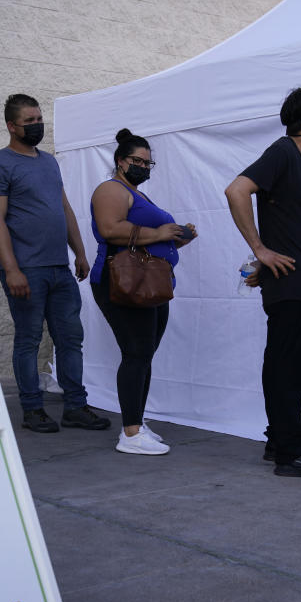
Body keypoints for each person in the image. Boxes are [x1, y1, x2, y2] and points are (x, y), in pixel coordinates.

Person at [223, 86, 301, 479]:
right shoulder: (283, 152)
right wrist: (261, 250)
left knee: (288, 362)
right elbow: (236, 190)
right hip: (290, 282)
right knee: (287, 364)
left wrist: (267, 256)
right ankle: (291, 452)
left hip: (298, 279)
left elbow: (285, 219)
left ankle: (282, 440)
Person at [0, 94, 110, 433]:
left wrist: (80, 251)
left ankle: (76, 407)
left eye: (39, 120)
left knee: (70, 338)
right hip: (26, 270)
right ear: (11, 126)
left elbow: (63, 208)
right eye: (30, 122)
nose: (37, 126)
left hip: (59, 268)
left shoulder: (49, 162)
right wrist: (11, 270)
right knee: (28, 339)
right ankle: (33, 409)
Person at [89, 129, 197, 455]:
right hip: (122, 282)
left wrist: (177, 236)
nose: (143, 167)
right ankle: (131, 434)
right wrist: (158, 231)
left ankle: (136, 421)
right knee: (136, 352)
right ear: (120, 161)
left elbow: (151, 234)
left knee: (145, 354)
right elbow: (110, 229)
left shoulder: (138, 194)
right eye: (137, 160)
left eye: (148, 163)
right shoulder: (112, 189)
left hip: (150, 285)